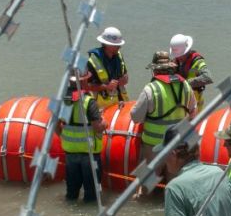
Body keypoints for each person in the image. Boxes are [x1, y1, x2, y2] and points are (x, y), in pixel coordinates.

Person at [131, 51, 196, 193]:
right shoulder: (185, 85)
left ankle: (142, 210)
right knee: (174, 185)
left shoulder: (151, 89)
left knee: (147, 182)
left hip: (154, 145)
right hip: (178, 145)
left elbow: (136, 117)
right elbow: (193, 113)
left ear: (155, 69)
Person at [59, 74, 105, 203]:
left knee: (71, 193)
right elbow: (97, 127)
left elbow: (56, 125)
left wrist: (65, 138)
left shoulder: (62, 101)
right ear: (84, 81)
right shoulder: (89, 101)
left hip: (70, 153)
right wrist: (105, 123)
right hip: (89, 155)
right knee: (91, 195)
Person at [84, 27, 129, 109]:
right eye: (116, 45)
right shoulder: (93, 61)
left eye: (119, 45)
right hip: (101, 107)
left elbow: (125, 77)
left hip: (120, 104)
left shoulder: (119, 56)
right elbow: (86, 86)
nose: (119, 47)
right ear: (106, 45)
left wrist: (122, 81)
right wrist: (106, 86)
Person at [169, 34, 213, 107]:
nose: (178, 57)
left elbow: (207, 77)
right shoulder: (176, 61)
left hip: (195, 104)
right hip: (180, 103)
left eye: (180, 55)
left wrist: (184, 83)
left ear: (187, 51)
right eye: (177, 55)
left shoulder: (198, 61)